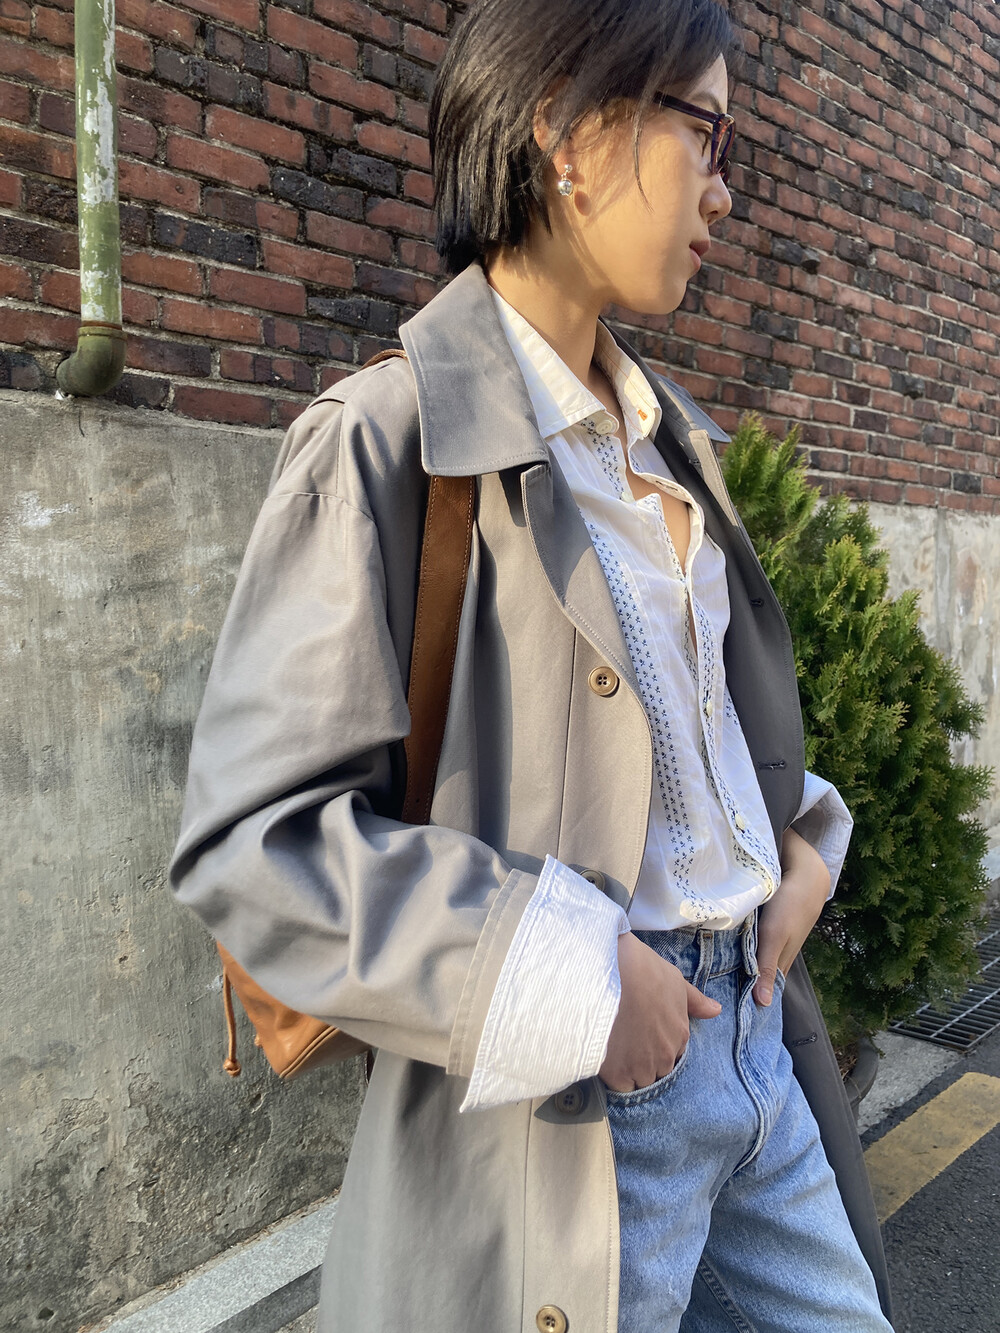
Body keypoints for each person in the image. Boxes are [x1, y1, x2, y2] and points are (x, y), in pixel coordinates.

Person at [169, 1, 896, 1329]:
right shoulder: (387, 436)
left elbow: (683, 747)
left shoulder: (672, 441)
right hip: (584, 1111)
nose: (725, 191)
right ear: (568, 130)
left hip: (760, 1047)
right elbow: (254, 844)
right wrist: (576, 974)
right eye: (708, 132)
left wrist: (799, 841)